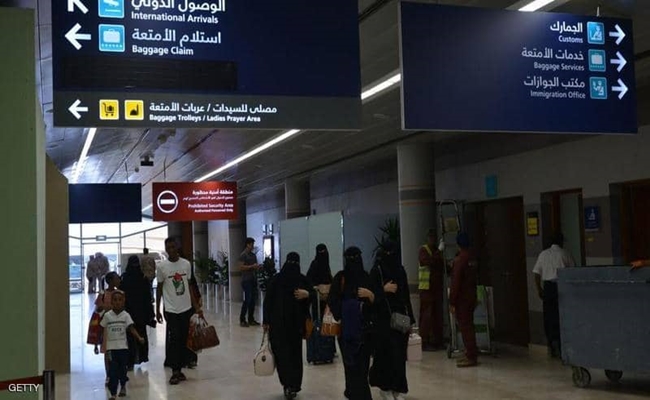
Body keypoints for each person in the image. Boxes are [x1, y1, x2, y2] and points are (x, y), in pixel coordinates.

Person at [263, 252, 314, 400]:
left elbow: (267, 302)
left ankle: (289, 384)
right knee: (291, 355)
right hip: (289, 326)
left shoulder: (279, 280)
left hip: (284, 326)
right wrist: (266, 321)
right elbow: (268, 301)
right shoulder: (296, 279)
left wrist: (307, 294)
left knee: (286, 356)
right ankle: (291, 384)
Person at [328, 246, 375, 400]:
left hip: (357, 330)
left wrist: (370, 296)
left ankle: (353, 392)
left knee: (356, 366)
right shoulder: (344, 278)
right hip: (355, 330)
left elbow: (333, 301)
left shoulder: (361, 277)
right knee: (356, 366)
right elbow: (332, 300)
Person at [369, 241, 415, 400]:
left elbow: (406, 296)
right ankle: (385, 387)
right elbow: (371, 296)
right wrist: (383, 290)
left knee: (399, 355)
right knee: (385, 354)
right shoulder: (377, 271)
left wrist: (411, 320)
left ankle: (397, 388)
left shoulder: (400, 270)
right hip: (382, 320)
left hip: (400, 319)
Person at [156, 237, 203, 385]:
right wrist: (157, 309)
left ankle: (181, 368)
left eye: (173, 247)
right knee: (175, 339)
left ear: (177, 247)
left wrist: (196, 306)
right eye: (168, 248)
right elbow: (159, 289)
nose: (170, 250)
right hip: (171, 309)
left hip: (186, 308)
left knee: (184, 339)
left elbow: (189, 286)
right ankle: (175, 371)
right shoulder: (162, 267)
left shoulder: (186, 264)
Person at [533, 232, 575, 358]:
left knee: (548, 316)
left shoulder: (543, 254)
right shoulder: (565, 254)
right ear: (561, 242)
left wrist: (539, 289)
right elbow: (573, 271)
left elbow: (536, 273)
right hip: (561, 287)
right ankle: (562, 346)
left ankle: (551, 344)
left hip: (547, 287)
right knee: (561, 316)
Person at [100, 290, 146, 400]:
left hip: (123, 348)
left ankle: (123, 386)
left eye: (120, 300)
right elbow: (101, 329)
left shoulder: (125, 315)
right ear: (111, 302)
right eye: (115, 300)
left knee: (122, 370)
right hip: (111, 349)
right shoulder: (107, 316)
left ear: (123, 302)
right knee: (112, 371)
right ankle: (113, 393)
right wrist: (98, 344)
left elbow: (131, 328)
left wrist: (139, 338)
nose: (117, 302)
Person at [119, 255, 154, 370]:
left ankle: (130, 361)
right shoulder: (143, 278)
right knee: (141, 335)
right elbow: (148, 298)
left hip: (129, 311)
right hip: (141, 313)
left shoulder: (125, 278)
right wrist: (150, 314)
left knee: (129, 337)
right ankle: (141, 357)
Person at [450, 232, 478, 368]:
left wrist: (452, 301)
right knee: (470, 325)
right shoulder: (472, 258)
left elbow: (455, 282)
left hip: (462, 299)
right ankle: (470, 352)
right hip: (472, 296)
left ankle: (471, 356)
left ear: (458, 244)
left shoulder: (459, 260)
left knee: (465, 327)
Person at [418, 229, 446, 350]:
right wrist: (439, 251)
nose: (432, 240)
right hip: (426, 289)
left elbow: (442, 266)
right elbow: (428, 262)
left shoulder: (436, 251)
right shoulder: (424, 250)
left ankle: (437, 340)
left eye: (434, 238)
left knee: (437, 316)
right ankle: (424, 341)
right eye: (431, 237)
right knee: (427, 316)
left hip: (436, 289)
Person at [94, 271, 121, 385]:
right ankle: (108, 375)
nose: (118, 280)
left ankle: (117, 373)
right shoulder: (103, 294)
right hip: (107, 327)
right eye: (116, 278)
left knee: (118, 351)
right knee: (107, 352)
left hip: (119, 325)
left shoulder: (120, 293)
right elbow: (97, 309)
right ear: (110, 281)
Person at [306, 243, 333, 320]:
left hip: (326, 296)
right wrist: (316, 287)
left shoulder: (326, 264)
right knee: (318, 318)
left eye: (323, 251)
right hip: (317, 295)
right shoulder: (315, 264)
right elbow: (309, 279)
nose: (322, 254)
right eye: (320, 251)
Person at [239, 237, 261, 327]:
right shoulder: (243, 255)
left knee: (252, 300)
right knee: (247, 299)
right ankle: (242, 319)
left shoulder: (253, 255)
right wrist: (251, 266)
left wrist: (257, 267)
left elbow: (254, 266)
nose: (252, 246)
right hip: (246, 280)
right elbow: (241, 267)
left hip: (253, 279)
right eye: (251, 244)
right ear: (247, 245)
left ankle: (251, 319)